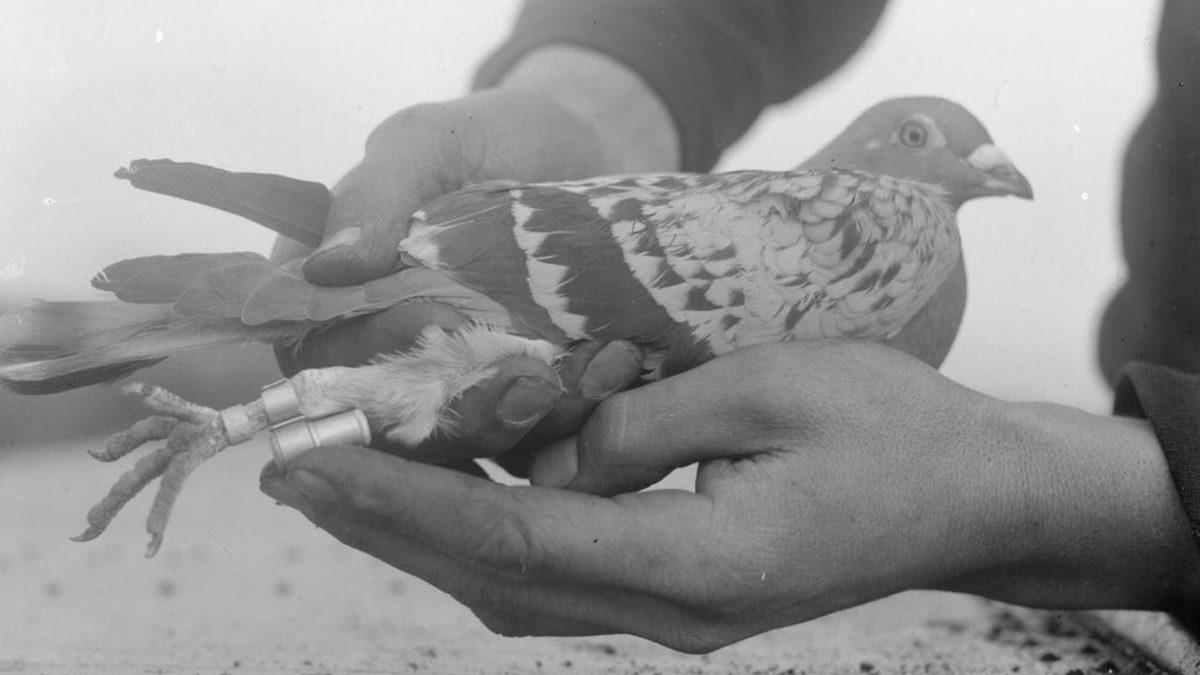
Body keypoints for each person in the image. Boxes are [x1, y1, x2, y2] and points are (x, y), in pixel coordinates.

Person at [259, 1, 1200, 651]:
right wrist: (598, 99)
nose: (986, 164)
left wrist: (1095, 497)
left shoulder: (904, 235)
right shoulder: (892, 223)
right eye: (921, 140)